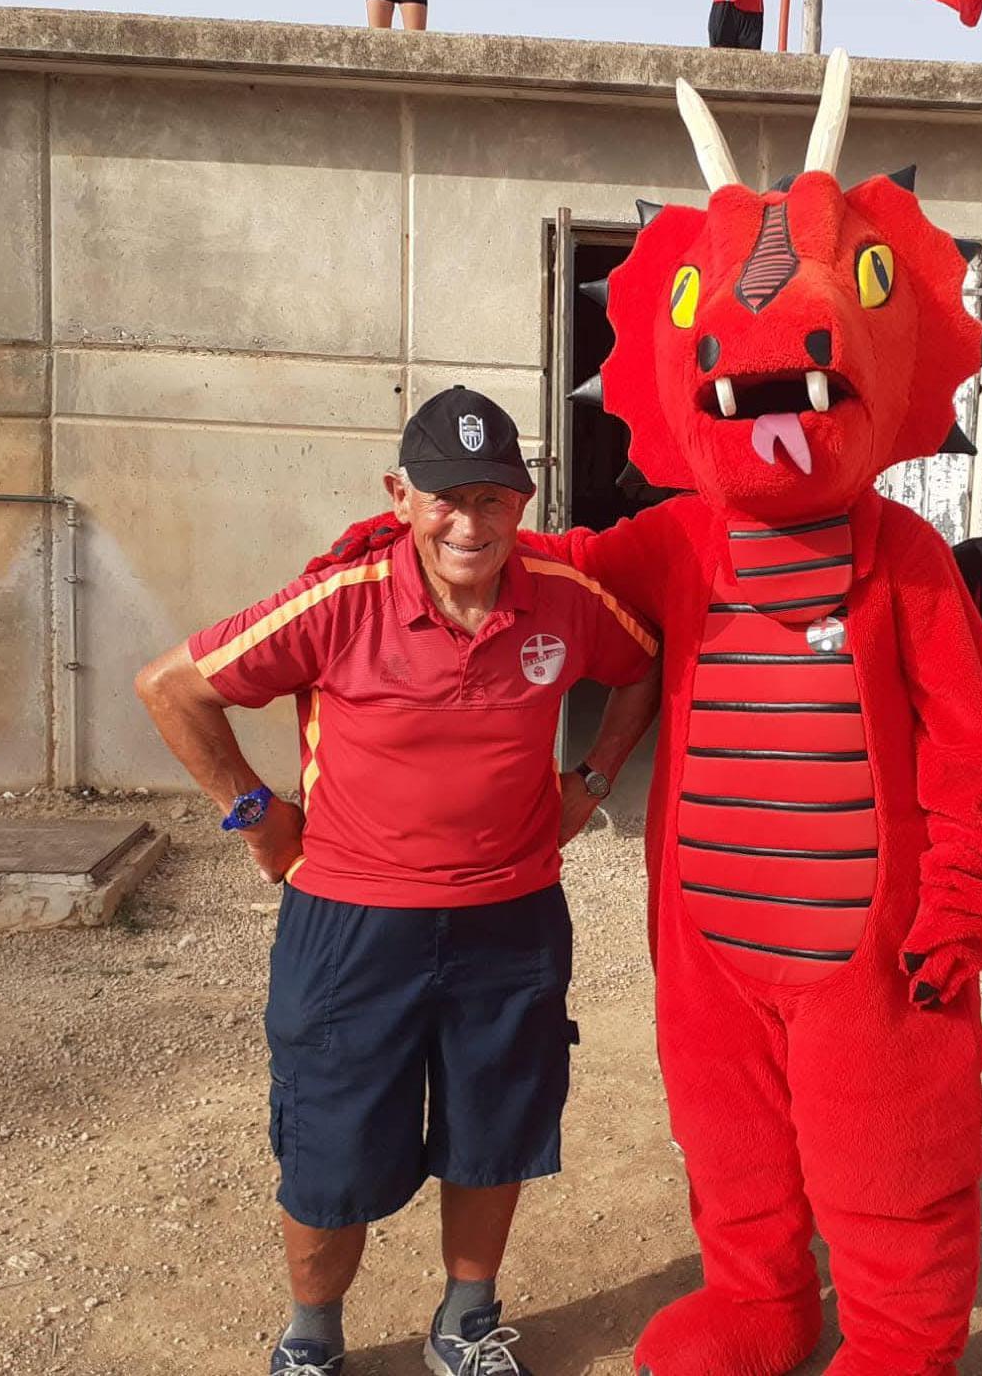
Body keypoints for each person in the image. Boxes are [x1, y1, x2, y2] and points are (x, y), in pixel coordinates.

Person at [135, 386, 659, 1376]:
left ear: (524, 499)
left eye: (495, 498)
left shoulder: (561, 595)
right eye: (447, 497)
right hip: (351, 925)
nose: (472, 522)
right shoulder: (344, 599)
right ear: (403, 494)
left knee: (496, 1124)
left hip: (512, 919)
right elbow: (172, 685)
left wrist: (588, 781)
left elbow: (640, 663)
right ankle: (312, 1336)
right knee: (331, 1143)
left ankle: (466, 1321)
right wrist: (253, 810)